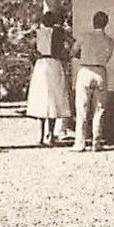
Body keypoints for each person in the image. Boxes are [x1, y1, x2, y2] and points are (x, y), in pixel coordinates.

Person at [25, 11, 74, 144]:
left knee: (42, 99)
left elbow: (31, 50)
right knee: (54, 98)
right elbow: (66, 48)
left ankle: (40, 136)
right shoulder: (59, 33)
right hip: (54, 63)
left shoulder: (36, 33)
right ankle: (51, 134)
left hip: (41, 64)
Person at [70, 11, 114, 151]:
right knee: (99, 109)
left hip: (85, 70)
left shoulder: (85, 37)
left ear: (93, 22)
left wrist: (83, 56)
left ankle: (80, 142)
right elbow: (107, 58)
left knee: (82, 108)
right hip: (100, 71)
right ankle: (96, 142)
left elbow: (72, 52)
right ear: (106, 23)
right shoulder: (109, 41)